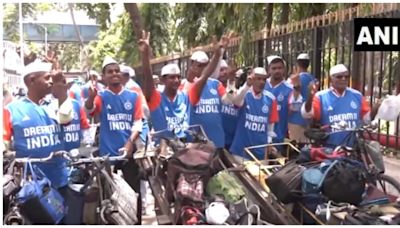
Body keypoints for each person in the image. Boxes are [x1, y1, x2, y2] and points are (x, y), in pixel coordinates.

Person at [3, 61, 75, 224]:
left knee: (61, 221)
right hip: (31, 187)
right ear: (31, 81)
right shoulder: (12, 109)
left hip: (59, 180)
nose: (51, 81)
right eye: (47, 77)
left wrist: (62, 94)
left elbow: (66, 119)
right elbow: (3, 142)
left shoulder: (56, 105)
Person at [140, 31, 230, 142]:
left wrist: (217, 54)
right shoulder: (156, 98)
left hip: (187, 148)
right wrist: (144, 56)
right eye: (171, 77)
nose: (176, 80)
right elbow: (148, 80)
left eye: (178, 77)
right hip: (164, 150)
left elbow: (205, 77)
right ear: (163, 80)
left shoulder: (187, 96)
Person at [84, 56, 144, 224]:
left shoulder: (133, 96)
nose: (115, 74)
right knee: (109, 202)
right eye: (110, 72)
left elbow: (138, 123)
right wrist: (90, 97)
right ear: (104, 77)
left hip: (128, 156)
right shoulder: (101, 96)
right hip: (107, 158)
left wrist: (130, 142)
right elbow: (90, 112)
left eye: (117, 70)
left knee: (133, 196)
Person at [301, 64, 380, 148]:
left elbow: (366, 119)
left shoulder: (357, 95)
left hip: (353, 149)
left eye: (346, 76)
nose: (343, 79)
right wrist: (310, 98)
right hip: (329, 149)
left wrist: (376, 108)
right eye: (339, 76)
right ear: (331, 79)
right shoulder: (320, 97)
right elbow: (307, 114)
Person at [230, 67, 279, 161]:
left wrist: (269, 143)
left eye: (264, 79)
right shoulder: (244, 93)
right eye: (258, 79)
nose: (262, 82)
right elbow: (236, 102)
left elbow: (270, 126)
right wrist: (246, 85)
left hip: (260, 153)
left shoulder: (271, 99)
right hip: (241, 151)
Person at [264, 55, 294, 146]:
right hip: (259, 136)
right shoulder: (262, 84)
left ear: (284, 69)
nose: (277, 70)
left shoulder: (290, 89)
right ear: (269, 70)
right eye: (274, 68)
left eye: (280, 68)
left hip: (278, 137)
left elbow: (293, 111)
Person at [287, 53, 316, 146]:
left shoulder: (294, 79)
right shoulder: (313, 79)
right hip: (308, 118)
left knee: (295, 146)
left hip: (295, 118)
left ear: (297, 64)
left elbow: (289, 98)